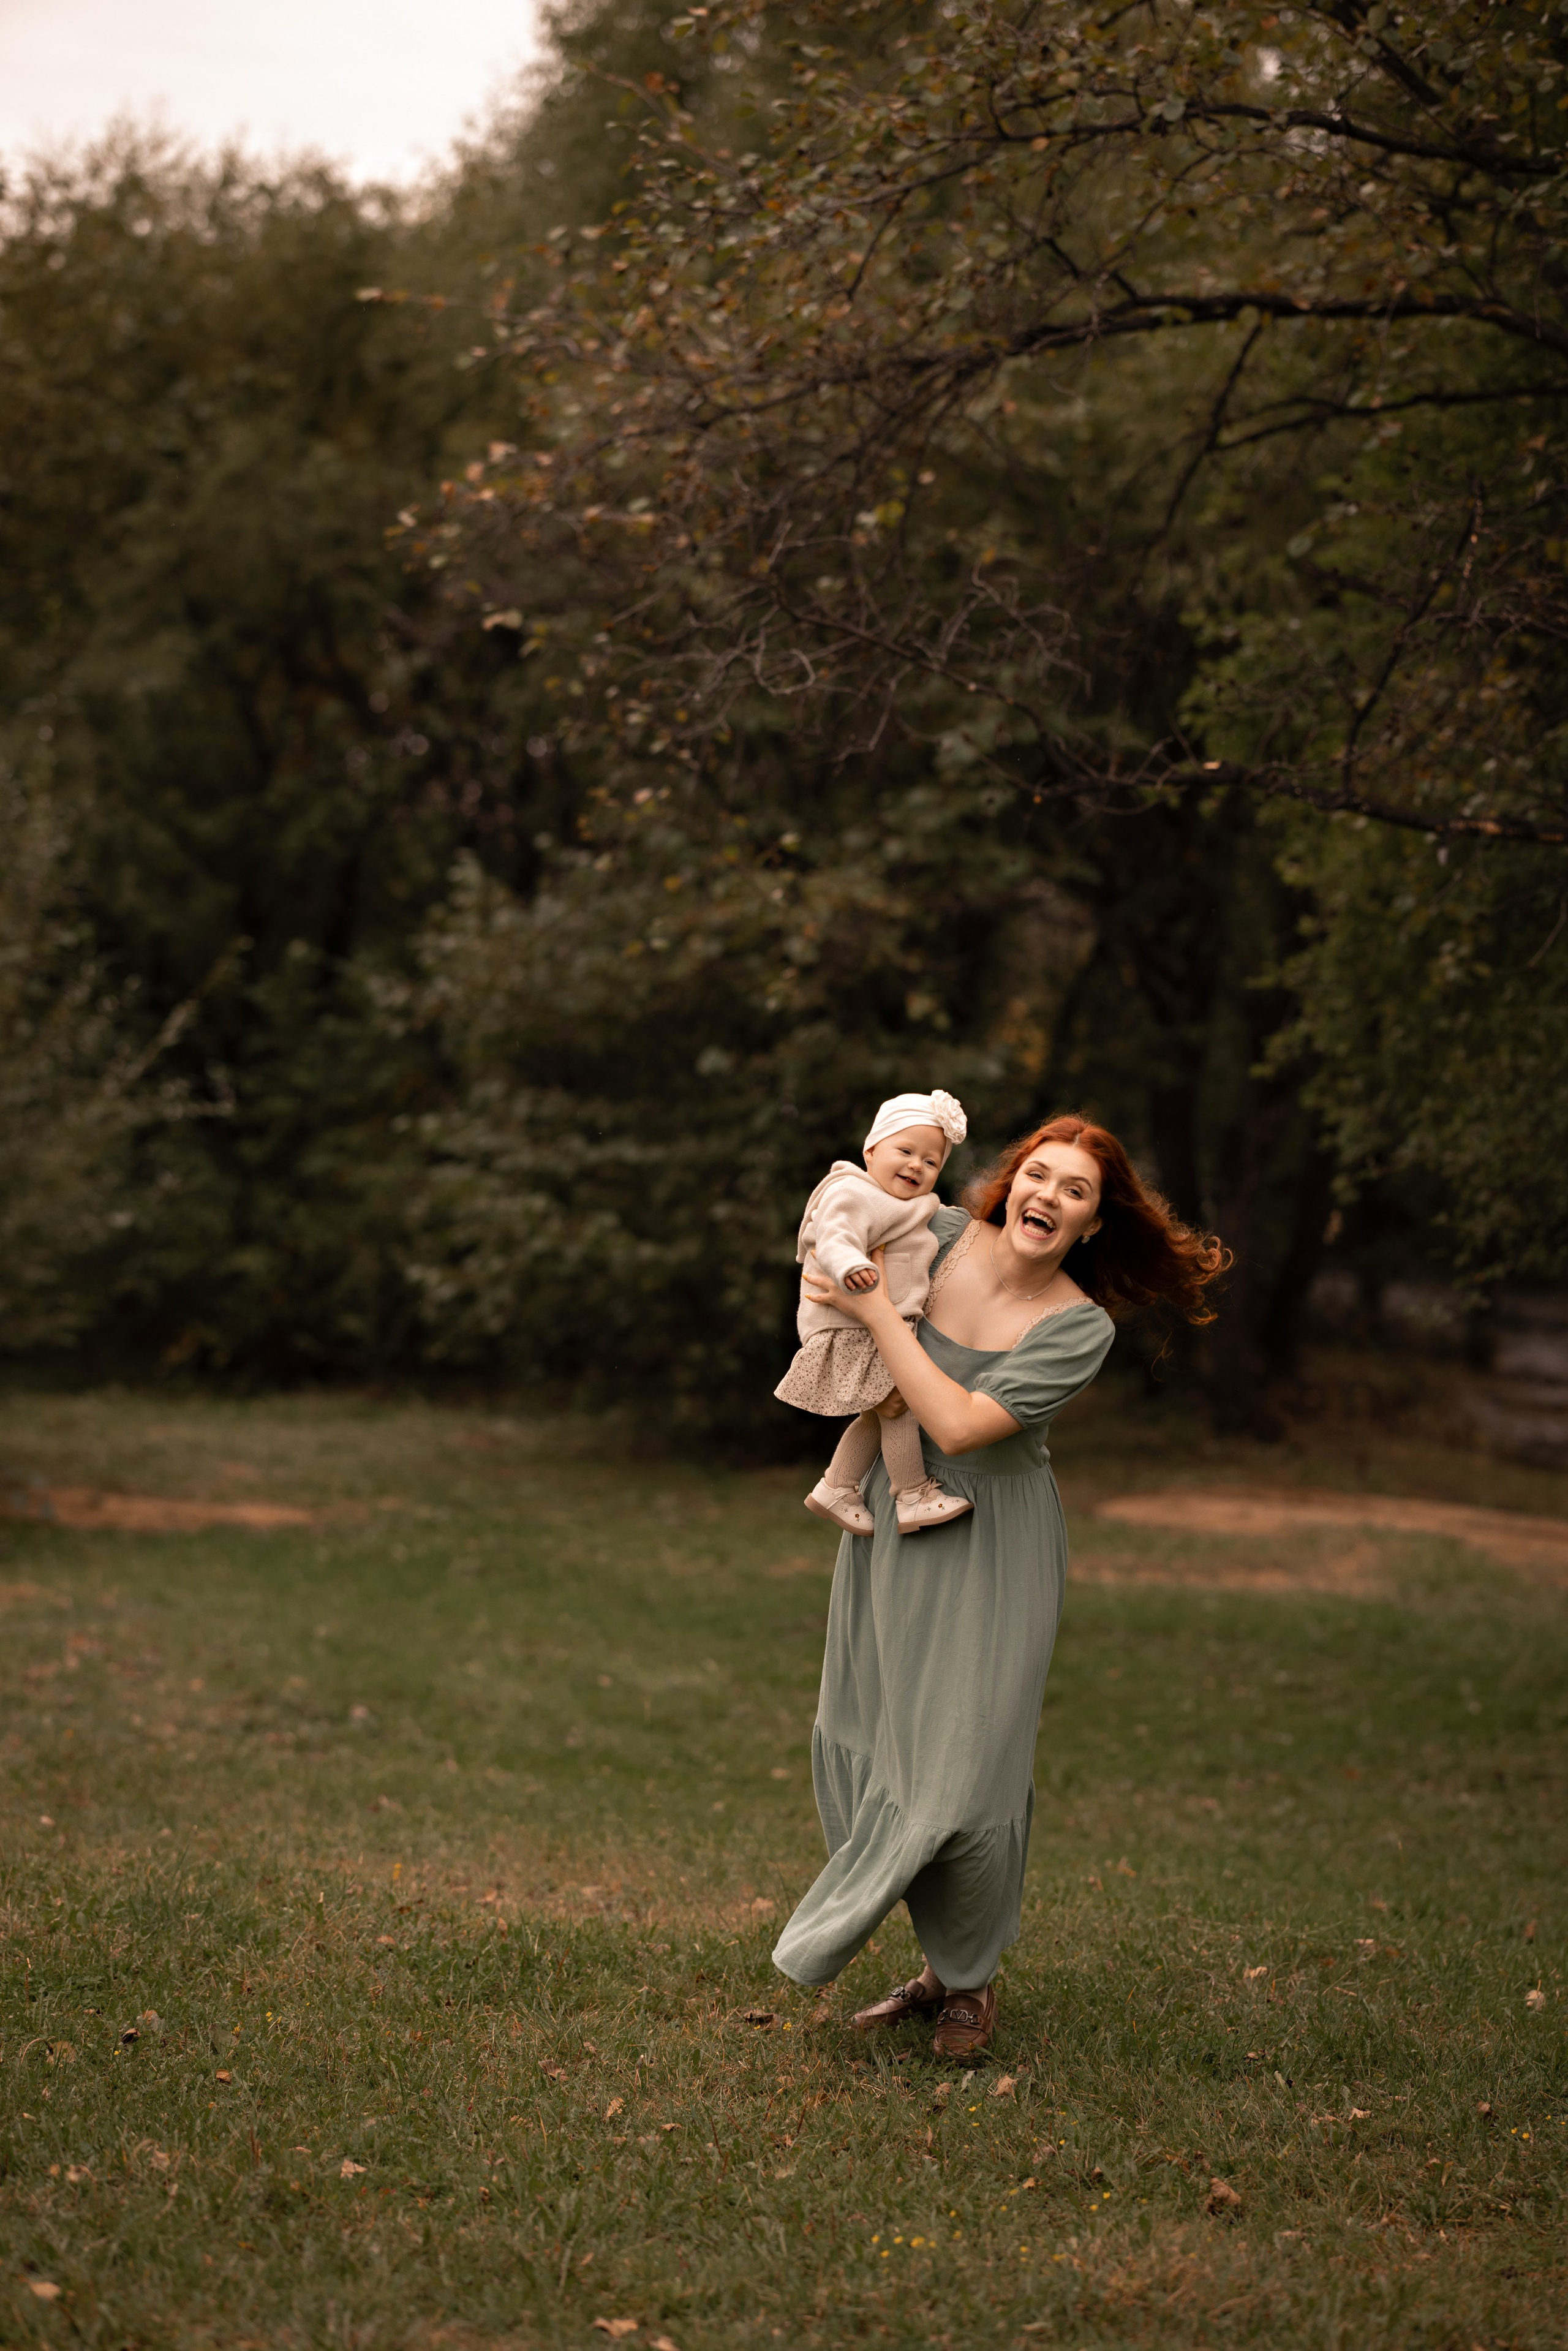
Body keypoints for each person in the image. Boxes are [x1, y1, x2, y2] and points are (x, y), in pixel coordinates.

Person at [772, 1113, 1226, 2058]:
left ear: (1095, 1223)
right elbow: (828, 1247)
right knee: (872, 1737)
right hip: (897, 1515)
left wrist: (877, 1315)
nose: (1049, 1198)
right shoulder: (933, 1235)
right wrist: (843, 1293)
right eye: (1040, 1176)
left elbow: (961, 1421)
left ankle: (972, 1982)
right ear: (1010, 1181)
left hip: (996, 1539)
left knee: (968, 1770)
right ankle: (941, 1967)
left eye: (1076, 1192)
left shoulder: (1078, 1326)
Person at [776, 1089, 977, 1538]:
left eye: (931, 1162)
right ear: (871, 1150)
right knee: (900, 1408)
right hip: (852, 1323)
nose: (916, 1166)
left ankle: (837, 1485)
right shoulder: (853, 1192)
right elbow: (833, 1238)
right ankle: (913, 1495)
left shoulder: (904, 1203)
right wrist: (853, 1267)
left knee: (878, 1412)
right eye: (904, 1151)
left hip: (879, 1324)